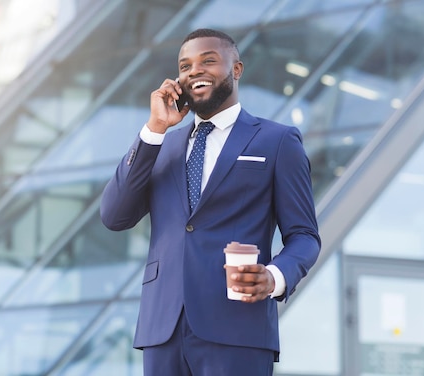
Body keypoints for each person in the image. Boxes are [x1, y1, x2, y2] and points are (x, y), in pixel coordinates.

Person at [100, 28, 320, 375]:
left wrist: (274, 276)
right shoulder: (163, 146)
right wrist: (155, 128)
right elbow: (114, 215)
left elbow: (305, 235)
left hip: (237, 328)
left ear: (236, 69)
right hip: (162, 329)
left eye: (208, 61)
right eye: (185, 66)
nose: (194, 71)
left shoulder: (278, 141)